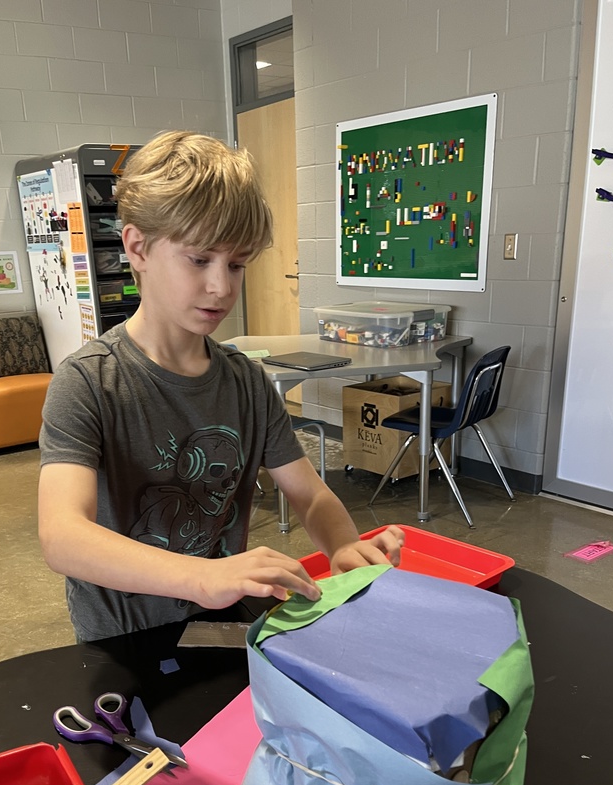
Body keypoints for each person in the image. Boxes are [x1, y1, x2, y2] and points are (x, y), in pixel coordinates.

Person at [38, 130, 404, 642]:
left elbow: (309, 494)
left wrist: (341, 545)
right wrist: (202, 576)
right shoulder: (88, 383)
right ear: (137, 247)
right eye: (199, 259)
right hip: (124, 641)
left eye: (237, 265)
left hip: (223, 625)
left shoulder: (246, 382)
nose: (222, 287)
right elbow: (63, 537)